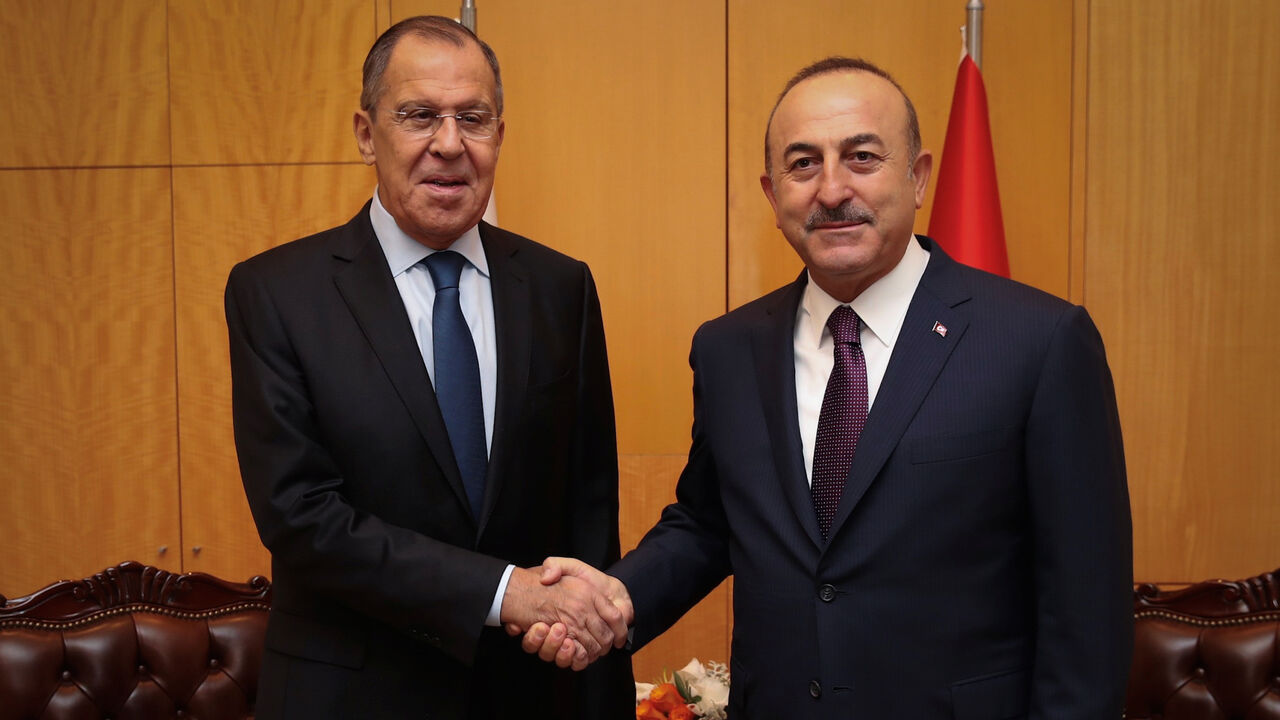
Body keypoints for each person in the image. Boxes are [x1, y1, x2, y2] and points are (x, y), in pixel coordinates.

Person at [528, 57, 1133, 718]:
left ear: (919, 177)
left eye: (862, 157)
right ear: (772, 194)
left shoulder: (1038, 342)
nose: (832, 188)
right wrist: (617, 599)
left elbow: (1086, 612)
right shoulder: (729, 350)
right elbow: (708, 523)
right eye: (803, 163)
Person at [224, 16, 632, 719]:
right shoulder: (277, 293)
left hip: (528, 696)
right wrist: (503, 593)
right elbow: (301, 517)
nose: (449, 144)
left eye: (473, 118)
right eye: (418, 116)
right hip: (350, 699)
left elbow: (589, 515)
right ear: (365, 134)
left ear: (499, 135)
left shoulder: (560, 288)